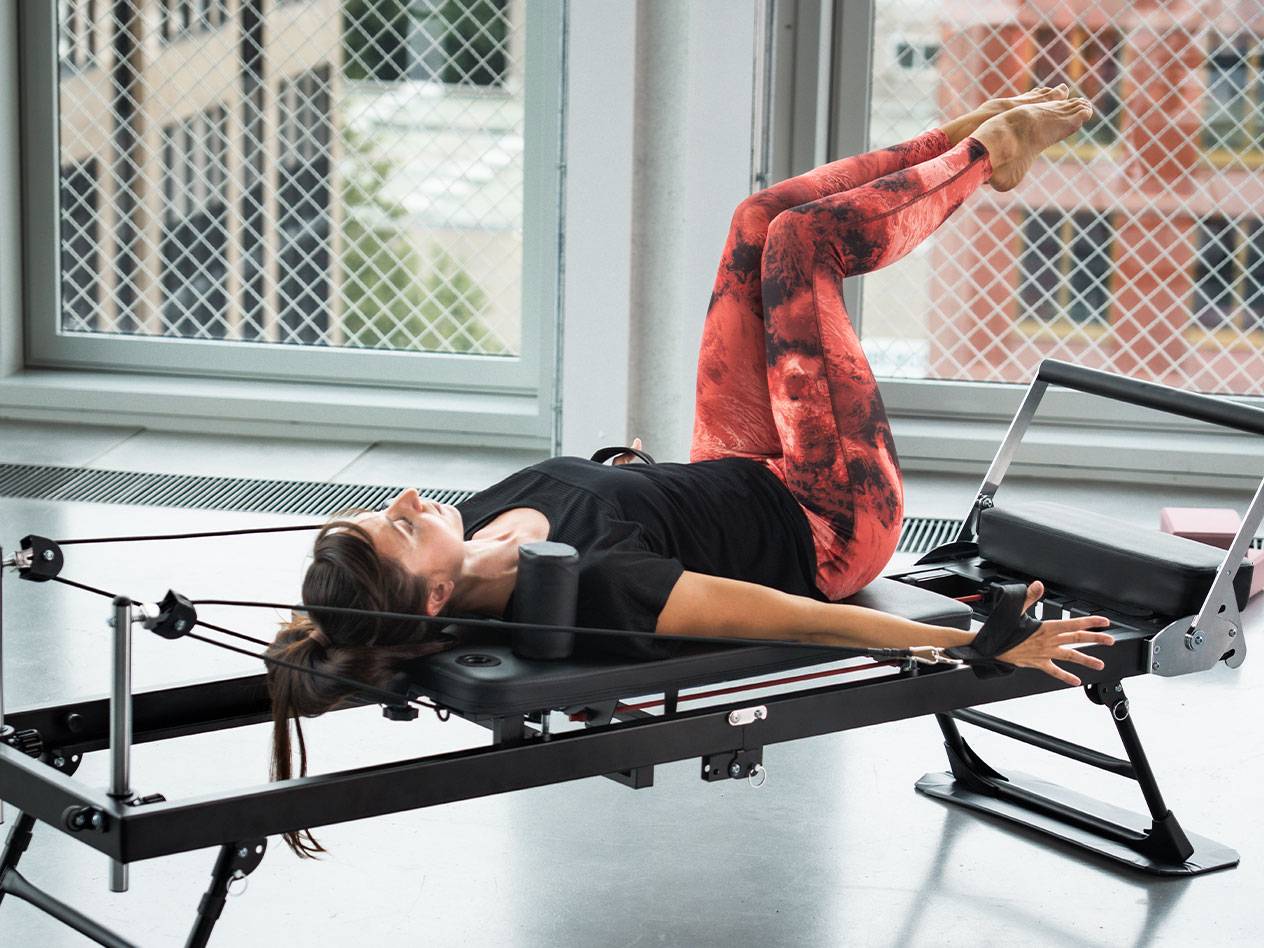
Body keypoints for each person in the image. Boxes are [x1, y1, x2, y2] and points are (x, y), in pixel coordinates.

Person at [268, 86, 1114, 855]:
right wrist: (972, 643)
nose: (414, 499)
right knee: (802, 244)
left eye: (394, 507)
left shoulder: (480, 522)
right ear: (438, 596)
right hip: (828, 519)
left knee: (756, 220)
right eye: (406, 527)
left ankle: (954, 142)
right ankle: (984, 156)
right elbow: (799, 621)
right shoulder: (595, 587)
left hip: (734, 463)